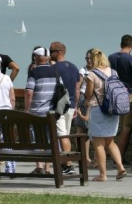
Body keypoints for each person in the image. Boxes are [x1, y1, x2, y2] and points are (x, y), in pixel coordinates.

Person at [84, 48, 126, 181]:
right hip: (113, 110)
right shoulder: (113, 72)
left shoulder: (92, 74)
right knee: (110, 142)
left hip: (98, 110)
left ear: (94, 59)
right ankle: (120, 167)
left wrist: (85, 98)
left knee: (98, 143)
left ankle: (103, 174)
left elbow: (88, 94)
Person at [108, 35, 132, 164]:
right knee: (126, 128)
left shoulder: (111, 57)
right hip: (128, 94)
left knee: (114, 127)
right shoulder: (130, 58)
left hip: (113, 94)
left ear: (121, 43)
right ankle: (119, 158)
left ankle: (114, 154)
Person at [24, 47, 57, 174]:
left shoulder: (34, 72)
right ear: (48, 58)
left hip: (36, 112)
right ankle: (48, 168)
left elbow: (28, 93)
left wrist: (27, 110)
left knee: (37, 139)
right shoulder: (55, 71)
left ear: (36, 58)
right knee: (49, 139)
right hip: (51, 112)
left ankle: (39, 166)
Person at [50, 41, 80, 174]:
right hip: (71, 105)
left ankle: (68, 164)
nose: (49, 54)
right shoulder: (74, 67)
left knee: (62, 136)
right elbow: (77, 88)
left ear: (59, 52)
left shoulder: (54, 68)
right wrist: (76, 105)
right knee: (65, 135)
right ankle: (64, 164)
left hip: (59, 106)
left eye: (51, 51)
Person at [75, 48, 95, 168]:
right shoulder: (83, 70)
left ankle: (91, 158)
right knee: (82, 129)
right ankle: (84, 157)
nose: (88, 60)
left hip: (94, 100)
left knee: (92, 131)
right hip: (84, 99)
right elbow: (78, 86)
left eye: (90, 58)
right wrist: (77, 102)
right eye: (87, 58)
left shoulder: (98, 70)